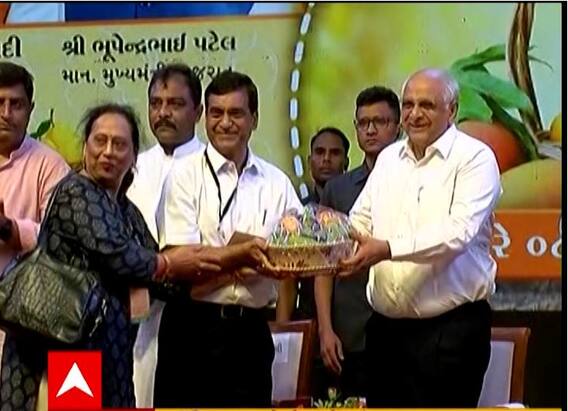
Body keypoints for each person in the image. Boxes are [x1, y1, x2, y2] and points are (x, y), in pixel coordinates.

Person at [0, 102, 223, 410]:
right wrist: (170, 263)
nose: (108, 152)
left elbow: (161, 277)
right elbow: (121, 255)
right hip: (66, 352)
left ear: (134, 156)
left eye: (119, 144)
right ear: (85, 147)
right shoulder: (76, 192)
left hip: (112, 353)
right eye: (100, 141)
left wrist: (218, 266)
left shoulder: (127, 212)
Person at [341, 68, 502, 407]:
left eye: (426, 105)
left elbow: (457, 233)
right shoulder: (389, 158)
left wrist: (386, 249)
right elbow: (361, 219)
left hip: (450, 333)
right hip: (385, 333)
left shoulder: (475, 158)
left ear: (452, 109)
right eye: (408, 104)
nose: (414, 114)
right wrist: (334, 244)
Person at [154, 70, 302, 407]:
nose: (225, 123)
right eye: (216, 113)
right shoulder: (183, 176)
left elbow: (294, 257)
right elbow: (182, 263)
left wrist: (219, 262)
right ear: (205, 117)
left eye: (236, 113)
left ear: (254, 119)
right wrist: (250, 257)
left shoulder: (277, 183)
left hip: (251, 334)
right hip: (191, 329)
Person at [315, 86, 400, 399]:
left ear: (398, 126)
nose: (371, 129)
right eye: (364, 123)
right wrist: (325, 329)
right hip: (349, 332)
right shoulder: (337, 189)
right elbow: (323, 265)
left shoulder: (414, 183)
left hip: (402, 327)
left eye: (380, 121)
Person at [127, 63, 205, 408]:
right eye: (156, 103)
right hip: (128, 316)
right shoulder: (132, 166)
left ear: (198, 112)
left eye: (175, 104)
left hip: (193, 319)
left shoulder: (210, 168)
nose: (163, 113)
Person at [0, 62, 69, 365]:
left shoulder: (50, 165)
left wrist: (10, 229)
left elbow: (64, 241)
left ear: (30, 110)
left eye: (16, 104)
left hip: (28, 322)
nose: (6, 113)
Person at [304, 127, 349, 205]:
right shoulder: (298, 208)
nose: (326, 158)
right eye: (319, 152)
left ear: (346, 162)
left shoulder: (360, 205)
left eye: (335, 153)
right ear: (309, 161)